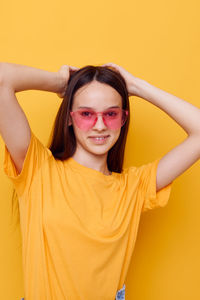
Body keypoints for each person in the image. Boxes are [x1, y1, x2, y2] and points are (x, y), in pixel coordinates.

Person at [0, 62, 199, 300]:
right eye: (86, 114)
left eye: (111, 114)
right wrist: (61, 82)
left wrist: (136, 86)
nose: (100, 125)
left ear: (123, 119)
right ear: (70, 118)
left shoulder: (134, 187)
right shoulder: (38, 170)